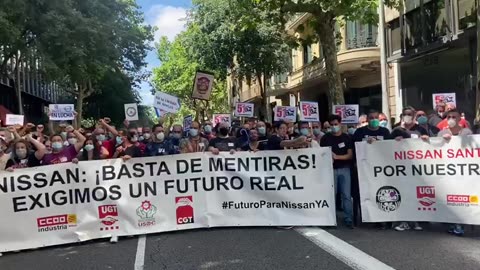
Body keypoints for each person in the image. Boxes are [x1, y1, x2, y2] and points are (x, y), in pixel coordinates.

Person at [353, 110, 391, 229]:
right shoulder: (360, 132)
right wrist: (366, 143)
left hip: (380, 169)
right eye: (371, 118)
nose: (374, 120)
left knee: (378, 192)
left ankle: (380, 219)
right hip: (364, 168)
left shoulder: (385, 131)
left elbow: (390, 147)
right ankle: (361, 218)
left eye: (376, 118)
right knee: (362, 193)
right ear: (367, 120)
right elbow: (355, 148)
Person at [438, 109, 472, 236]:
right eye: (449, 117)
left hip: (463, 170)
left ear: (459, 119)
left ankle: (460, 224)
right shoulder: (441, 132)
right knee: (449, 196)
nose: (451, 118)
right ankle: (451, 223)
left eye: (454, 117)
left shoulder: (467, 132)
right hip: (447, 170)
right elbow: (434, 150)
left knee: (461, 197)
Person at [320, 114, 354, 228]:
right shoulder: (325, 138)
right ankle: (330, 218)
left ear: (340, 124)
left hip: (345, 169)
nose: (334, 126)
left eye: (336, 124)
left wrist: (336, 157)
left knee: (346, 195)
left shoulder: (347, 138)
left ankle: (348, 218)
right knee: (331, 195)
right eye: (332, 125)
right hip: (330, 170)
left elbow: (349, 155)